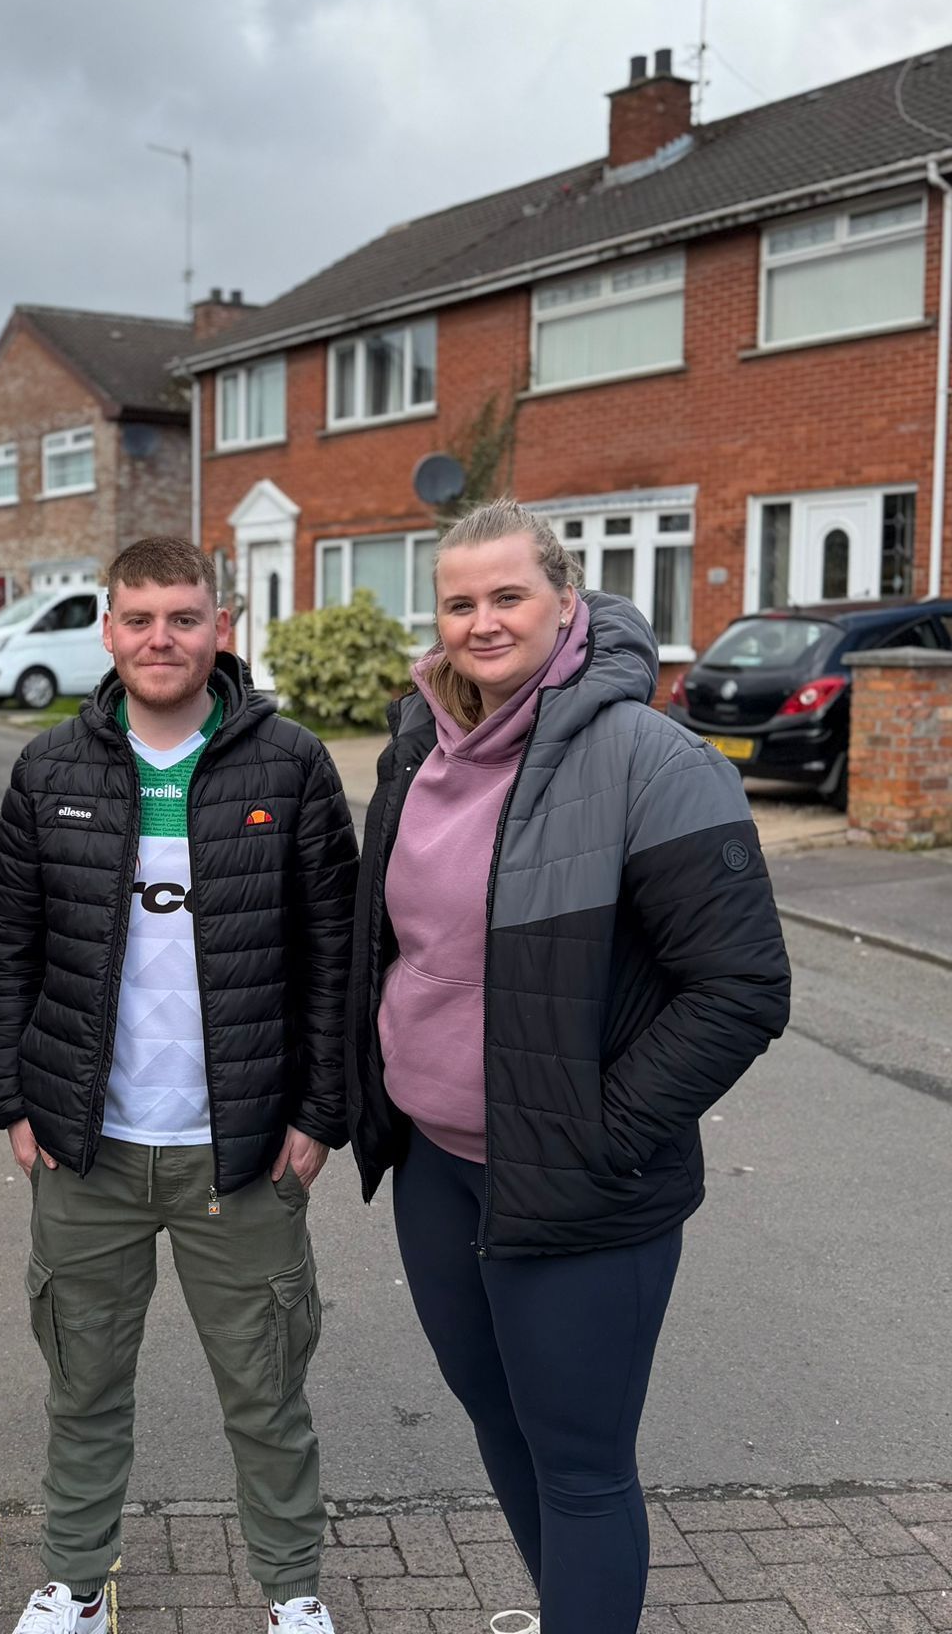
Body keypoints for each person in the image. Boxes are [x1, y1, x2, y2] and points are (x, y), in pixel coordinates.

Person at [346, 500, 790, 1634]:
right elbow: (401, 947)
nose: (483, 620)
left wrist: (596, 1129)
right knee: (502, 1422)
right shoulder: (419, 747)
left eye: (508, 596)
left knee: (583, 1461)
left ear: (564, 600)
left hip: (579, 1185)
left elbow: (740, 986)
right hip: (437, 1170)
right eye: (460, 601)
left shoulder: (648, 754)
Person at [0, 536, 358, 1634]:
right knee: (83, 1386)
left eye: (183, 617)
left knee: (267, 1391)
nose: (160, 638)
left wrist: (320, 1113)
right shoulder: (49, 768)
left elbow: (336, 956)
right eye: (138, 617)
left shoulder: (289, 765)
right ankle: (78, 1583)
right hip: (85, 1148)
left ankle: (292, 1595)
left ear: (220, 626)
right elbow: (8, 944)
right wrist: (10, 1096)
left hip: (240, 1154)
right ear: (108, 630)